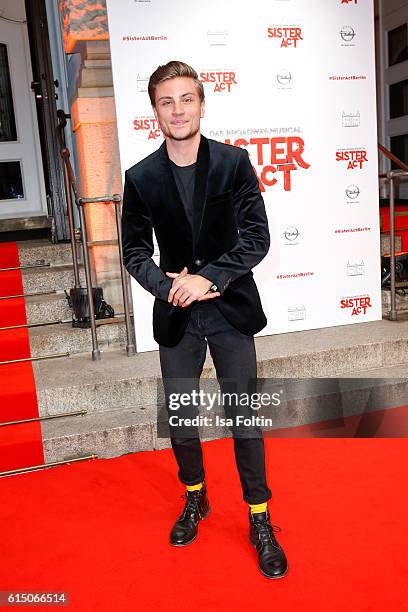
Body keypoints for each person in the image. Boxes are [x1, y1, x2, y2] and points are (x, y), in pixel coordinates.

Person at [121, 60, 288, 579]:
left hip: (230, 308)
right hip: (177, 314)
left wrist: (208, 279)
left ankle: (259, 517)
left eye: (186, 99)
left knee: (245, 418)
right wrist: (170, 286)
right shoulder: (141, 177)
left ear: (201, 103)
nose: (177, 109)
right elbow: (132, 252)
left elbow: (256, 239)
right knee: (182, 420)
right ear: (155, 110)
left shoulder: (234, 164)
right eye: (166, 101)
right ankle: (196, 497)